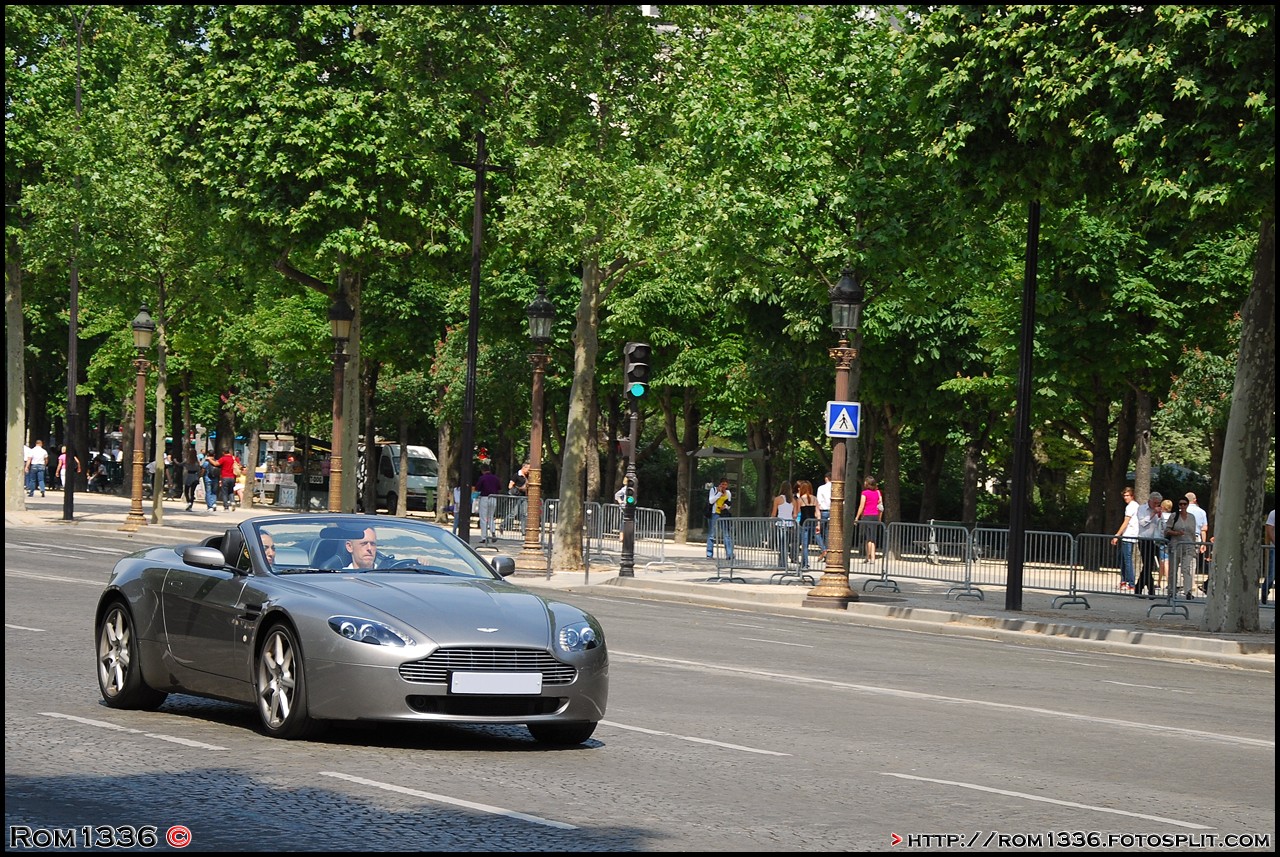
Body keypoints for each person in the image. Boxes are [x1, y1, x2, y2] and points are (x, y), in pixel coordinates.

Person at [1165, 498, 1198, 600]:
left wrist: (1195, 546)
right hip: (1176, 545)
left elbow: (1193, 533)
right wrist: (1176, 533)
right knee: (1173, 569)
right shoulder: (1174, 516)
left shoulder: (1192, 517)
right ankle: (1171, 590)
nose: (1182, 506)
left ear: (1187, 505)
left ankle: (1188, 591)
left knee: (1186, 568)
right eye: (1181, 504)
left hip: (1188, 546)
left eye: (1184, 504)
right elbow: (1167, 530)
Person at [1110, 486, 1140, 592]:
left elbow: (1126, 522)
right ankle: (1124, 580)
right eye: (1124, 495)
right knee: (1121, 558)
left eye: (1127, 495)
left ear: (1132, 496)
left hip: (1129, 535)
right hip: (1128, 535)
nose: (1125, 497)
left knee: (1127, 560)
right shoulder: (1134, 506)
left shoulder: (1131, 506)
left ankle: (1130, 583)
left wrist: (1117, 535)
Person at [1134, 491, 1163, 596]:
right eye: (1155, 503)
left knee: (1149, 565)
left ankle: (1139, 588)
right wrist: (1152, 514)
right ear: (1150, 501)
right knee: (1147, 564)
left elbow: (1160, 524)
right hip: (1144, 539)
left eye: (1158, 503)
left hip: (1155, 539)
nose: (1156, 505)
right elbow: (1142, 523)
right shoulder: (1142, 509)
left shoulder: (1158, 509)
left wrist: (1160, 515)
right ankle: (1151, 590)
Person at [854, 476, 883, 564]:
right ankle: (872, 557)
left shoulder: (865, 493)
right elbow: (881, 506)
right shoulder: (878, 492)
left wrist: (857, 517)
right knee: (873, 538)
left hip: (867, 515)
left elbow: (861, 506)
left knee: (868, 538)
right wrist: (879, 518)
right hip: (875, 516)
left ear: (867, 484)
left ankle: (868, 556)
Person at [1185, 492, 1210, 593]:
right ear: (1195, 500)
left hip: (1182, 537)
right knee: (1192, 561)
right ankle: (1191, 583)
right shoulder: (1201, 512)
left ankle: (1180, 582)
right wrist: (1203, 543)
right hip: (1195, 537)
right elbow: (1204, 528)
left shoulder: (1182, 510)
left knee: (1181, 560)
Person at [473, 462, 502, 544]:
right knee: (491, 517)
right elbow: (499, 487)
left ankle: (484, 537)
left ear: (482, 470)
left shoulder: (482, 478)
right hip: (493, 498)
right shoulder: (495, 478)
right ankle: (493, 531)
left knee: (483, 518)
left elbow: (477, 488)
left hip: (485, 498)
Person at [706, 478, 734, 559]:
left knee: (726, 534)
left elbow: (729, 504)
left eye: (725, 485)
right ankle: (709, 554)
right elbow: (711, 501)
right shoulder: (713, 490)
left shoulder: (728, 493)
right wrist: (719, 494)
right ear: (719, 484)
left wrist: (724, 506)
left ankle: (729, 554)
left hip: (723, 514)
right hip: (714, 513)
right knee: (711, 534)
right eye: (722, 484)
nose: (724, 486)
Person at [795, 479, 821, 567]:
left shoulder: (800, 499)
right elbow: (817, 512)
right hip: (812, 522)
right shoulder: (814, 498)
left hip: (804, 522)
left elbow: (797, 512)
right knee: (807, 543)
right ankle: (805, 562)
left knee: (804, 545)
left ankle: (805, 563)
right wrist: (818, 524)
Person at [770, 483, 796, 566]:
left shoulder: (778, 499)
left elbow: (774, 513)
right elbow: (795, 514)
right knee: (786, 543)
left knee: (781, 544)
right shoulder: (793, 500)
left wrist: (771, 521)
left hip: (781, 523)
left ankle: (782, 563)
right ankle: (784, 562)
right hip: (790, 523)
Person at [504, 462, 530, 532]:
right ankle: (503, 524)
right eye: (528, 468)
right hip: (516, 496)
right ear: (524, 467)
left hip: (524, 496)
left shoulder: (527, 476)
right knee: (513, 513)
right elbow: (510, 486)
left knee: (524, 514)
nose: (529, 470)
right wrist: (520, 488)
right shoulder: (516, 475)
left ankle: (523, 530)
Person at [1262, 508, 1275, 605]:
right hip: (1274, 548)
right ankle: (1264, 591)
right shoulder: (1273, 513)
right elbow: (1269, 529)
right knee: (1272, 574)